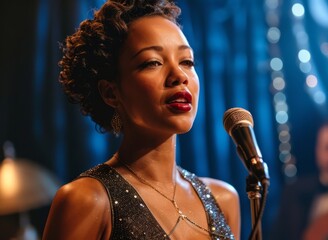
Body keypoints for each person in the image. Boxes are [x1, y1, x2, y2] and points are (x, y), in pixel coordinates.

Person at [42, 0, 241, 239]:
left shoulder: (223, 199)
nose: (179, 76)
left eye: (186, 61)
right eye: (153, 62)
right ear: (110, 93)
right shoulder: (88, 200)